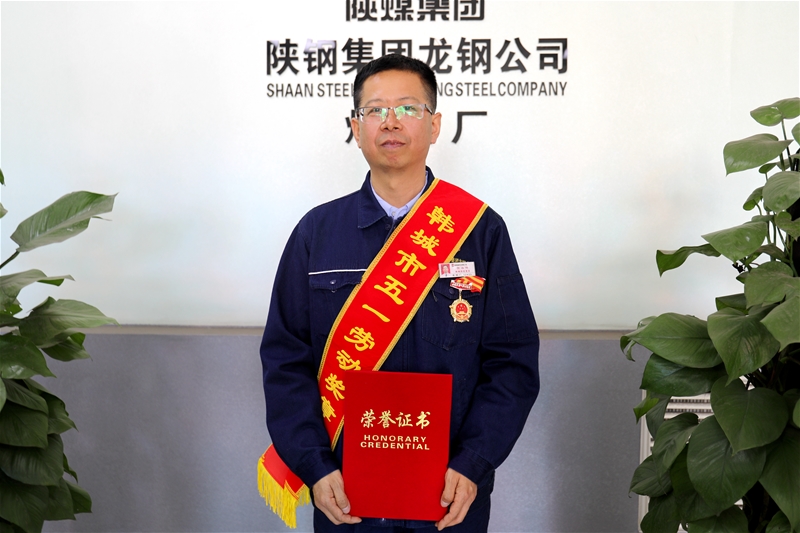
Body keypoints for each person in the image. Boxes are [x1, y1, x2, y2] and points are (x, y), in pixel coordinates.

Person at [260, 54, 540, 533]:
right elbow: (286, 361)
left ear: (435, 125)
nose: (391, 122)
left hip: (448, 497)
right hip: (346, 495)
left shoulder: (480, 231)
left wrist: (473, 461)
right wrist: (315, 466)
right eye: (375, 110)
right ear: (356, 127)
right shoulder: (316, 233)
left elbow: (511, 362)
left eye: (408, 108)